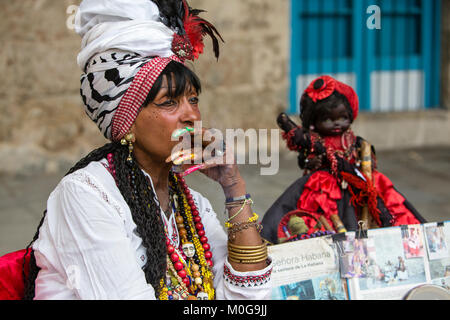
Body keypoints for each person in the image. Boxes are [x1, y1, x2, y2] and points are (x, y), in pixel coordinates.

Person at [0, 0, 274, 300]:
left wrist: (233, 186)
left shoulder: (190, 204)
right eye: (169, 102)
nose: (192, 116)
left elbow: (250, 296)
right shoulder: (87, 195)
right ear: (127, 121)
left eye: (193, 100)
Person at [261, 76, 426, 244]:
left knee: (383, 211)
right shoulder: (315, 142)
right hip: (324, 187)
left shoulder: (356, 141)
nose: (336, 123)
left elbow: (369, 158)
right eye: (327, 120)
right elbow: (303, 160)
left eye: (343, 118)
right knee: (315, 217)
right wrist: (310, 163)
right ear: (314, 122)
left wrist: (364, 168)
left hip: (358, 185)